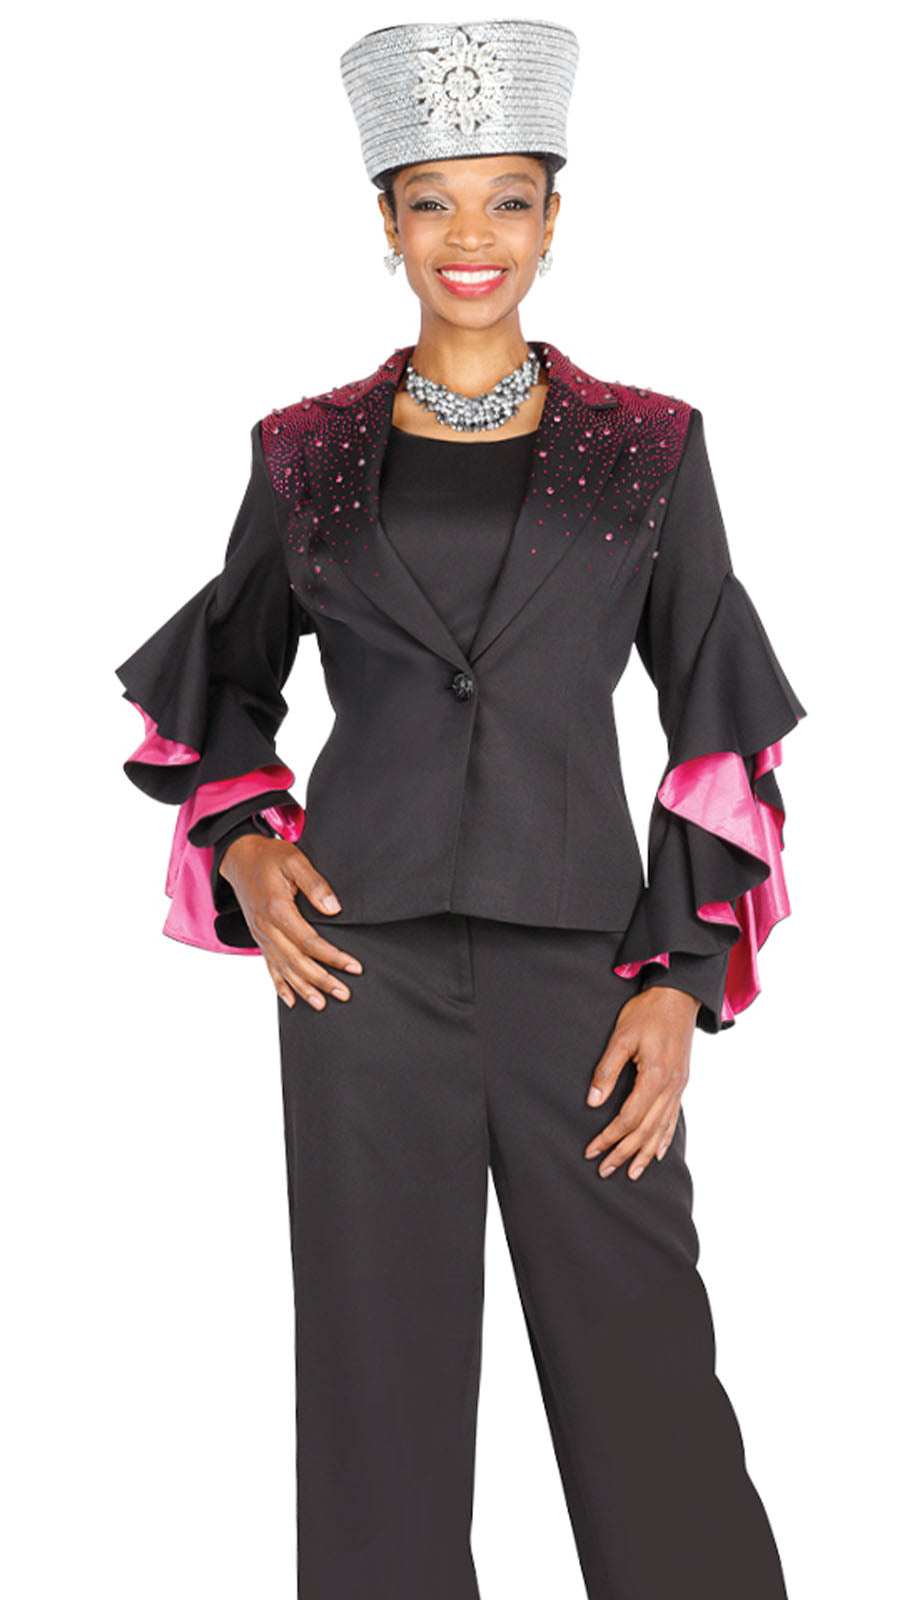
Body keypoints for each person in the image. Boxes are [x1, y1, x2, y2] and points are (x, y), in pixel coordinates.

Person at [115, 19, 806, 1599]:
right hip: (358, 969)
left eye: (507, 200)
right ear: (386, 219)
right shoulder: (303, 453)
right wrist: (248, 844)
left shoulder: (651, 447)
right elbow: (220, 679)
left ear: (555, 218)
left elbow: (715, 714)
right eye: (432, 201)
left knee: (646, 1379)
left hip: (586, 974)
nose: (470, 236)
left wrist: (679, 983)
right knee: (379, 1391)